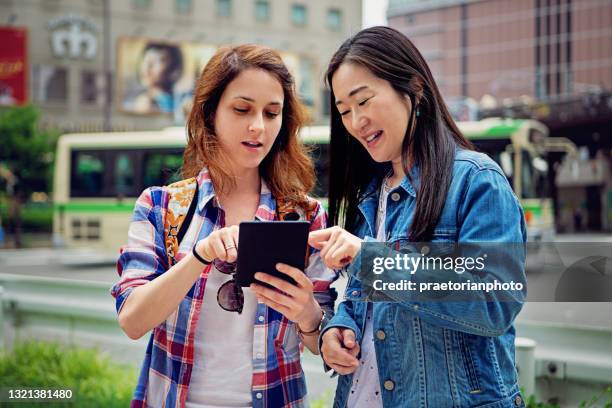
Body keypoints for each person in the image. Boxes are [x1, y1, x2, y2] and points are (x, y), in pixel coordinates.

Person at [309, 26, 527, 408]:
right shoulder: (370, 195)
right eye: (344, 111)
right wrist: (340, 327)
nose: (355, 121)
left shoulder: (476, 181)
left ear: (414, 88)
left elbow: (495, 302)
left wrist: (371, 260)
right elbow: (364, 299)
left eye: (363, 101)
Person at [112, 44, 337, 408]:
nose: (257, 126)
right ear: (210, 112)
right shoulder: (161, 206)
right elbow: (133, 321)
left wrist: (307, 311)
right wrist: (200, 255)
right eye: (242, 109)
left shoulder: (304, 215)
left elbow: (319, 342)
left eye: (272, 113)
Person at [130, 42, 183, 114]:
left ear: (173, 67)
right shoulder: (145, 102)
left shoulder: (179, 100)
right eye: (146, 60)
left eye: (158, 61)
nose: (147, 68)